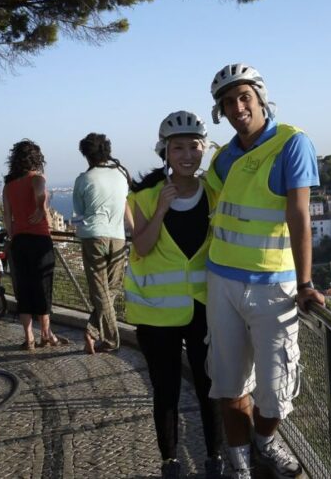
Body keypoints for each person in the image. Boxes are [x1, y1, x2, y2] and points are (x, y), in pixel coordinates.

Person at [205, 64, 325, 479]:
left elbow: (300, 215)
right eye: (228, 102)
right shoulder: (222, 159)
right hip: (222, 281)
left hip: (274, 287)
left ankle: (264, 442)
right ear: (221, 110)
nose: (238, 107)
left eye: (244, 97)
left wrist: (306, 283)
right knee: (229, 386)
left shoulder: (292, 143)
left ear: (260, 97)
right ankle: (239, 467)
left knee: (275, 395)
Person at [124, 111, 223, 479]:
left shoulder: (215, 193)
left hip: (204, 309)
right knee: (165, 391)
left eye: (194, 147)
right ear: (164, 152)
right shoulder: (144, 196)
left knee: (210, 387)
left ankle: (216, 457)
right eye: (177, 147)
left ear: (204, 150)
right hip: (156, 315)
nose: (186, 154)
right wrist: (162, 208)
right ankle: (170, 462)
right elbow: (143, 248)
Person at [2, 139, 66, 350]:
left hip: (19, 242)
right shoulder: (37, 178)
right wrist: (40, 208)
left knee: (24, 290)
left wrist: (13, 238)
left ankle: (29, 337)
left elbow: (7, 217)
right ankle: (45, 335)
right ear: (37, 159)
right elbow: (39, 190)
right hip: (39, 241)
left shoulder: (8, 186)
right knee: (43, 288)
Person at [72, 133, 131, 354]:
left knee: (101, 290)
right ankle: (96, 333)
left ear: (86, 154)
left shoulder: (84, 179)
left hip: (92, 236)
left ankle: (105, 337)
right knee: (113, 286)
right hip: (118, 237)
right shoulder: (121, 175)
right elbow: (125, 203)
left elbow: (78, 215)